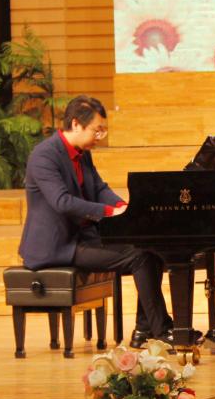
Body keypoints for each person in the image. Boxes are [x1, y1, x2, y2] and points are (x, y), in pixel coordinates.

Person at [18, 94, 173, 346]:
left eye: (103, 130)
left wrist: (124, 207)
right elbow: (62, 202)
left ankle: (145, 330)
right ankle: (161, 331)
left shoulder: (82, 153)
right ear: (76, 124)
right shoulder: (44, 156)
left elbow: (99, 188)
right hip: (57, 245)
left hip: (81, 237)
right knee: (140, 256)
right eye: (97, 130)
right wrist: (109, 212)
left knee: (151, 248)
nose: (100, 136)